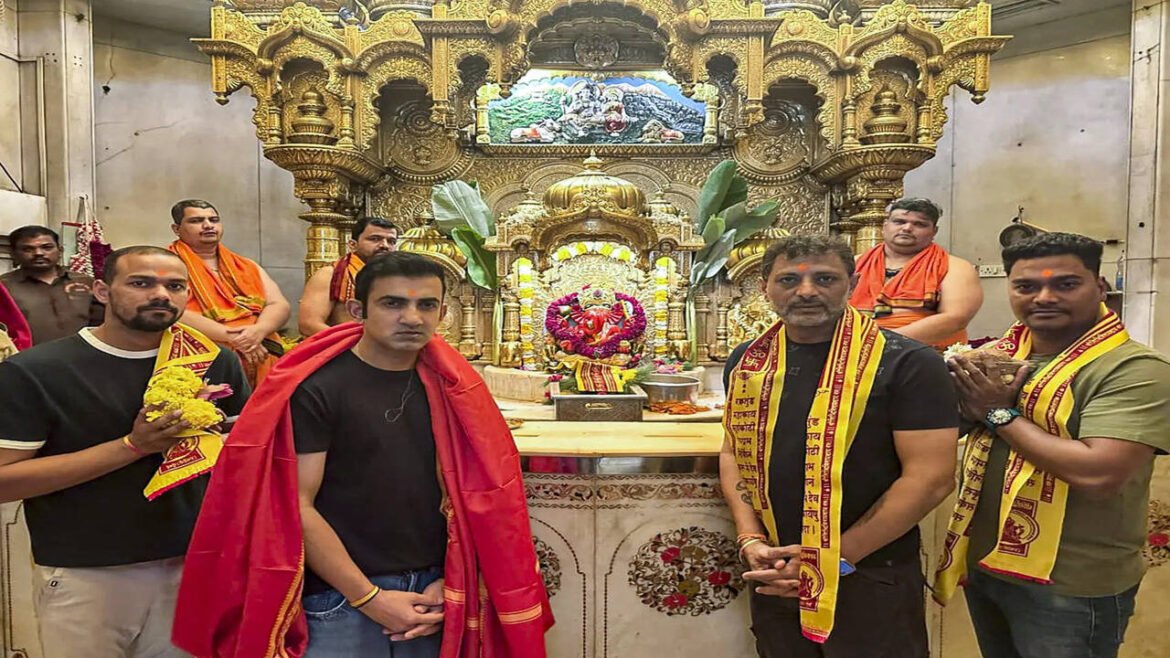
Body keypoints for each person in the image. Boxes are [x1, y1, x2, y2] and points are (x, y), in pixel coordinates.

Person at [173, 252, 553, 658]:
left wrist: (450, 579)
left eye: (426, 305)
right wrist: (368, 597)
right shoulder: (318, 388)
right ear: (358, 311)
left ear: (442, 313)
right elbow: (296, 504)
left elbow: (478, 497)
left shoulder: (455, 389)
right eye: (393, 303)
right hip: (340, 598)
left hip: (434, 591)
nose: (412, 318)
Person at [0, 245, 250, 658]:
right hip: (89, 572)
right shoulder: (37, 371)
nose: (161, 295)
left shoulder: (213, 361)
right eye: (141, 283)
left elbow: (241, 458)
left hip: (193, 565)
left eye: (175, 286)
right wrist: (132, 447)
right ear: (102, 291)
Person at [720, 234, 959, 657]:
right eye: (789, 279)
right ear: (764, 287)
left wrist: (829, 560)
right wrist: (750, 539)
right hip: (776, 568)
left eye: (825, 278)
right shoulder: (750, 360)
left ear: (853, 283)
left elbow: (931, 479)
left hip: (868, 569)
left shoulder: (907, 362)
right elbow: (733, 452)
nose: (806, 291)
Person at [934, 232, 1170, 658]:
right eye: (1026, 286)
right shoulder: (1000, 356)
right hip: (988, 564)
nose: (1043, 297)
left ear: (1100, 287)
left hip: (1072, 583)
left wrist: (997, 413)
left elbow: (1098, 474)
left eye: (1065, 284)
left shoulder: (1133, 369)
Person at [166, 199, 290, 387]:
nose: (208, 225)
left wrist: (259, 331)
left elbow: (279, 304)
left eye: (213, 220)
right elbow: (171, 311)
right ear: (176, 229)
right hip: (203, 359)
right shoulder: (165, 265)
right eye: (196, 221)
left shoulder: (247, 266)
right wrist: (234, 337)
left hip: (261, 348)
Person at [849, 197, 982, 350]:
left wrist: (878, 342)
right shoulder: (854, 264)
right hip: (851, 349)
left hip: (923, 355)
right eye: (899, 222)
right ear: (885, 226)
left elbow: (955, 319)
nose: (907, 228)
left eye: (919, 224)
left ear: (934, 231)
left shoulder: (955, 267)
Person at [1, 225, 104, 344]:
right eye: (28, 249)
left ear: (60, 250)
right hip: (27, 355)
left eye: (47, 247)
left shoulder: (86, 282)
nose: (39, 253)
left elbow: (104, 323)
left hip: (85, 353)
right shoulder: (3, 287)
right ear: (13, 254)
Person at [297, 216, 399, 337]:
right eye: (375, 239)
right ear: (352, 245)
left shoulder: (401, 278)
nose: (384, 245)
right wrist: (360, 343)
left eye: (391, 241)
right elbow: (309, 324)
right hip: (347, 345)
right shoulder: (330, 275)